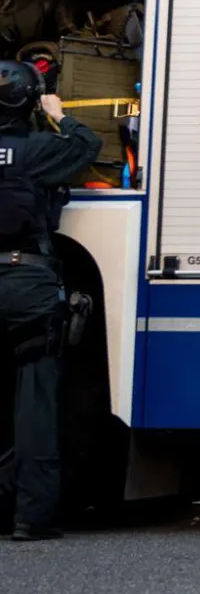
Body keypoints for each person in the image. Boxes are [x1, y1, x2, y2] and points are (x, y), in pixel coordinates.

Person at [0, 62, 100, 541]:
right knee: (35, 406)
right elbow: (87, 147)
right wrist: (58, 113)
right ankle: (29, 518)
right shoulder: (34, 152)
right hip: (25, 286)